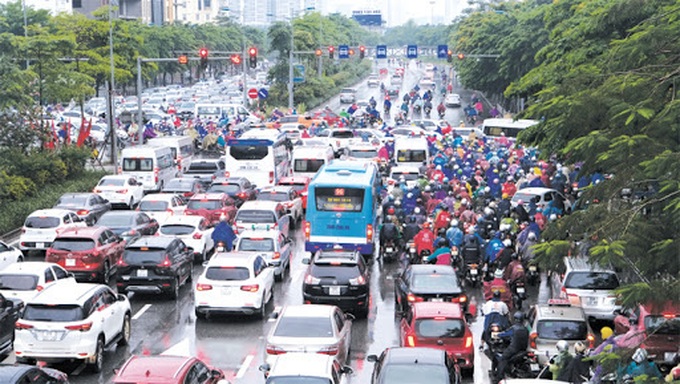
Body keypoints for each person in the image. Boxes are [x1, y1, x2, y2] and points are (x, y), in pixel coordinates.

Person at [493, 312, 529, 384]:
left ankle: (499, 378)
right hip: (523, 349)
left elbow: (504, 334)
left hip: (514, 349)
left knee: (503, 359)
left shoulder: (514, 328)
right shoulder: (526, 329)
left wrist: (498, 335)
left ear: (515, 319)